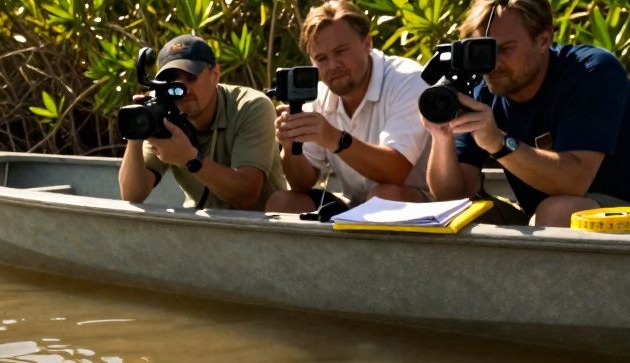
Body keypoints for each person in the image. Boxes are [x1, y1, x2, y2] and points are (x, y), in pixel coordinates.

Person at [423, 0, 630, 227]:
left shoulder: (591, 72)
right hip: (542, 218)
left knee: (557, 212)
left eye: (505, 49)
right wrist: (441, 137)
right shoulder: (482, 90)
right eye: (484, 52)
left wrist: (498, 143)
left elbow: (573, 183)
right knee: (459, 216)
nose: (493, 64)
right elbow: (451, 196)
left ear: (543, 40)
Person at [267, 0, 431, 215]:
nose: (333, 65)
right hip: (358, 205)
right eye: (321, 58)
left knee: (384, 197)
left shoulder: (408, 80)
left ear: (367, 43)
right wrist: (290, 147)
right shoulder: (319, 94)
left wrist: (335, 138)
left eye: (341, 51)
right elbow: (301, 184)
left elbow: (396, 172)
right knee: (282, 203)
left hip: (426, 206)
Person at [118, 34, 287, 211]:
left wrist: (190, 158)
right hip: (201, 229)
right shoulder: (162, 110)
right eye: (171, 81)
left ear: (215, 75)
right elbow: (132, 195)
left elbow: (246, 197)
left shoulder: (251, 107)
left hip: (261, 228)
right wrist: (136, 132)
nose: (182, 89)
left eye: (191, 78)